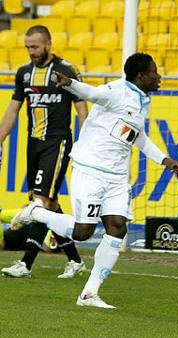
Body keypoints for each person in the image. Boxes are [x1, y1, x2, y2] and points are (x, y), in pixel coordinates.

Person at [12, 52, 178, 309]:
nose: (158, 77)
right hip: (91, 169)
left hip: (116, 176)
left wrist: (164, 159)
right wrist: (69, 83)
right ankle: (37, 213)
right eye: (154, 72)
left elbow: (136, 136)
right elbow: (91, 94)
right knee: (83, 233)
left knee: (117, 227)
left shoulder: (141, 100)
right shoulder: (115, 91)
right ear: (141, 76)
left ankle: (89, 294)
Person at [0, 25, 88, 279]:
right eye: (28, 47)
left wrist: (86, 141)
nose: (31, 51)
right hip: (34, 143)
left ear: (48, 44)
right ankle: (75, 260)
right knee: (48, 205)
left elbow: (82, 107)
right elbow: (13, 110)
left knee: (39, 202)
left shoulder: (66, 70)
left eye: (35, 47)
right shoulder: (24, 74)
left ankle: (26, 264)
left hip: (58, 142)